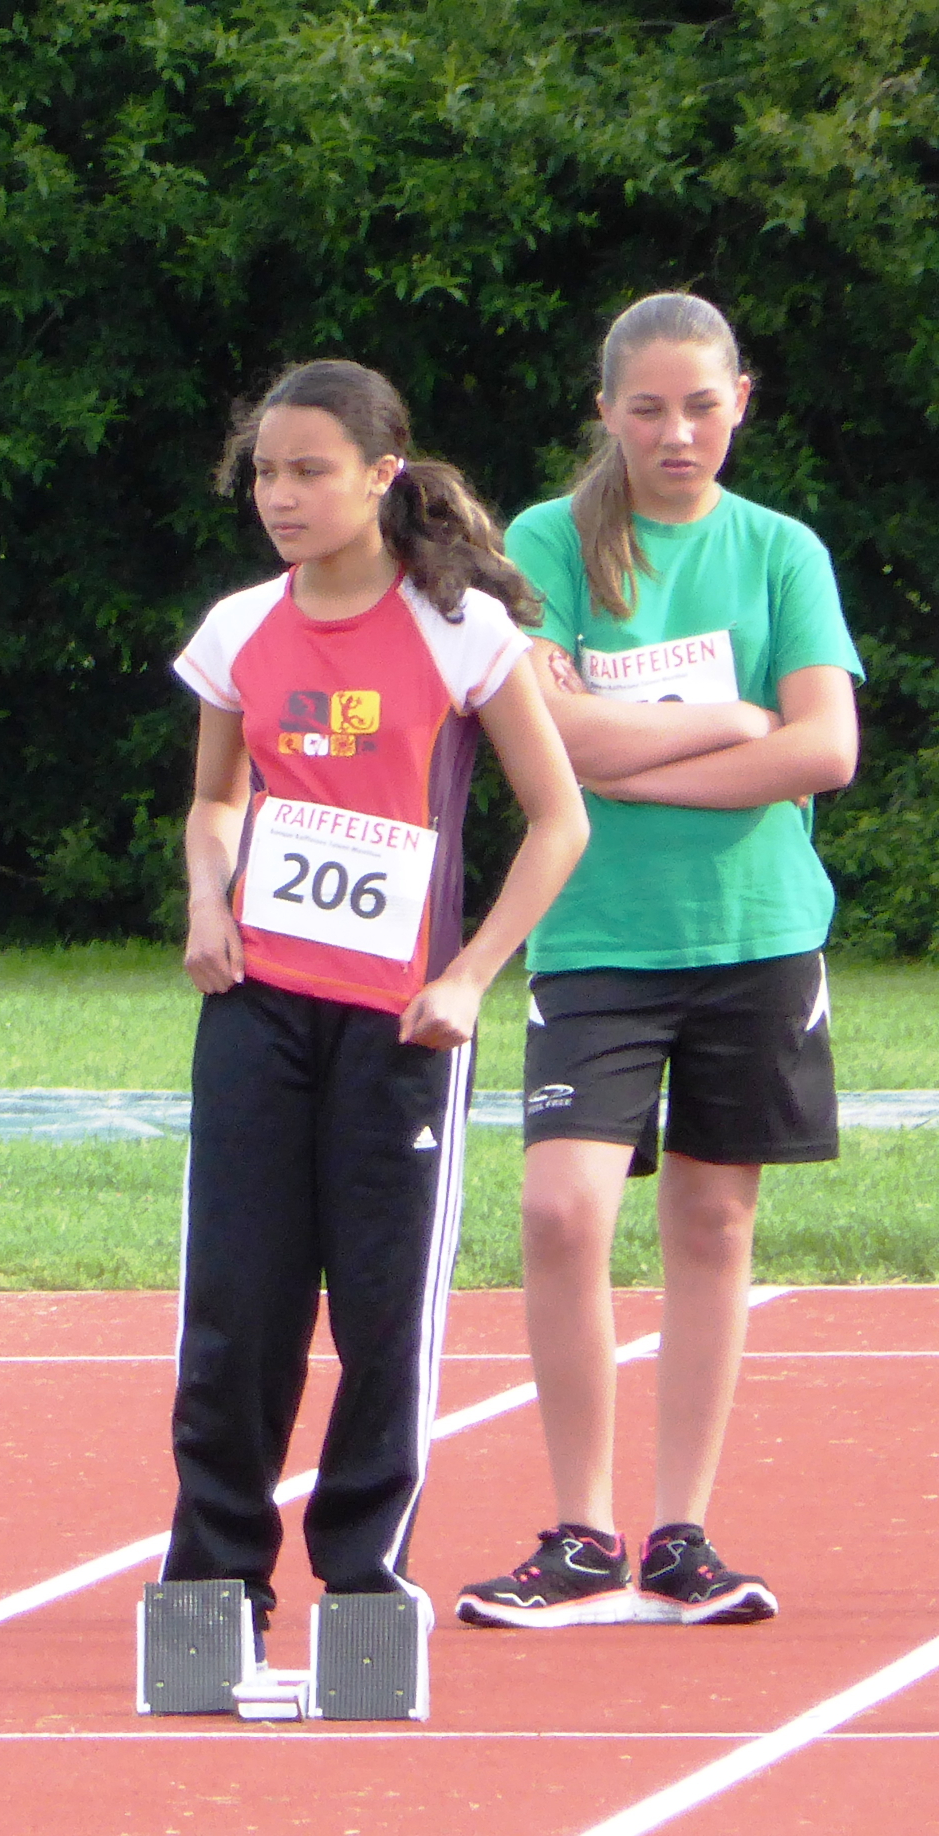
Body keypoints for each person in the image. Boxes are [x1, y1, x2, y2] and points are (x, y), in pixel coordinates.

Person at [168, 359, 587, 1652]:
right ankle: (214, 1580)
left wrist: (470, 975)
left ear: (381, 477)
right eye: (265, 474)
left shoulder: (462, 633)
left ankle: (361, 1579)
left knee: (382, 1314)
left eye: (310, 472)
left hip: (401, 1026)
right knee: (237, 1311)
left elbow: (559, 821)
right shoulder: (241, 629)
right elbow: (216, 798)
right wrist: (208, 900)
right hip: (257, 1008)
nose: (280, 497)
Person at [457, 294, 860, 1630]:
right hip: (598, 938)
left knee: (713, 1221)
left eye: (699, 405)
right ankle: (582, 1532)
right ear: (606, 411)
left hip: (756, 933)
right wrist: (732, 727)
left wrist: (646, 765)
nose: (676, 432)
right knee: (563, 1211)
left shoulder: (782, 550)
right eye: (647, 408)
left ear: (741, 400)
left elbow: (824, 749)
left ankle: (682, 1536)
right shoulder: (545, 542)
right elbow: (553, 735)